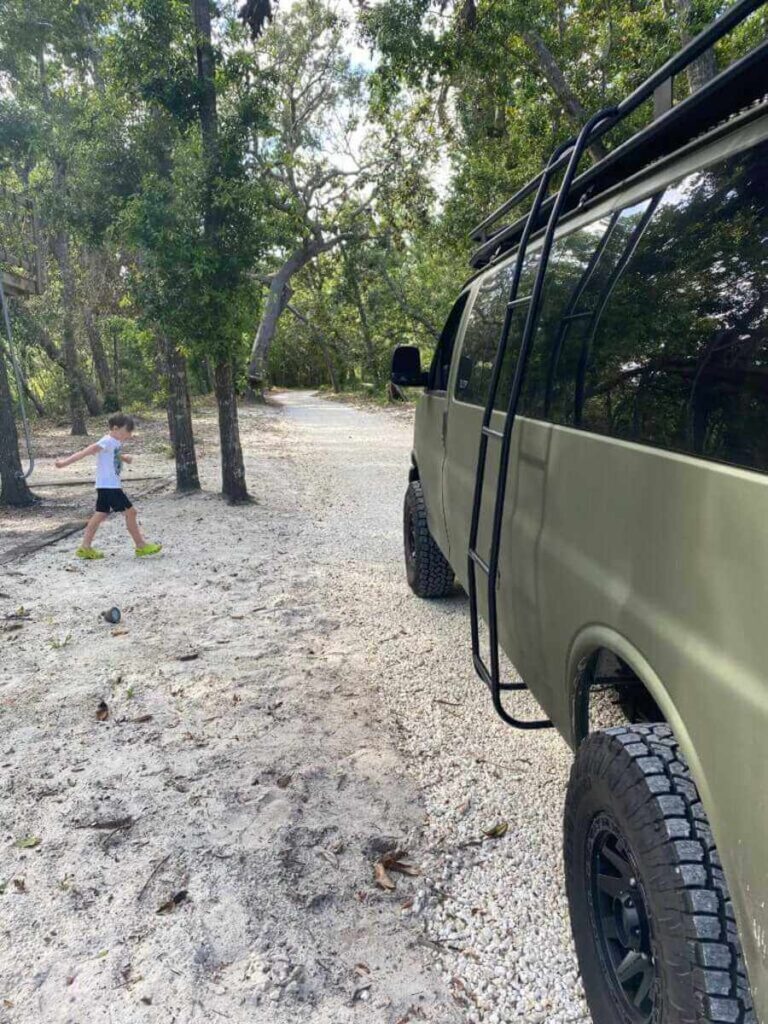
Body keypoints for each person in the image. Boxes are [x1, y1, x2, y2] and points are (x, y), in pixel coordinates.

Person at [54, 413, 163, 560]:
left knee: (100, 514)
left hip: (107, 485)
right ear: (115, 428)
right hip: (110, 487)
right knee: (131, 513)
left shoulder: (115, 442)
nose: (129, 435)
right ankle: (141, 545)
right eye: (127, 431)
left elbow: (112, 455)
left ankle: (85, 548)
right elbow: (86, 451)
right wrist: (63, 463)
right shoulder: (106, 441)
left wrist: (124, 457)